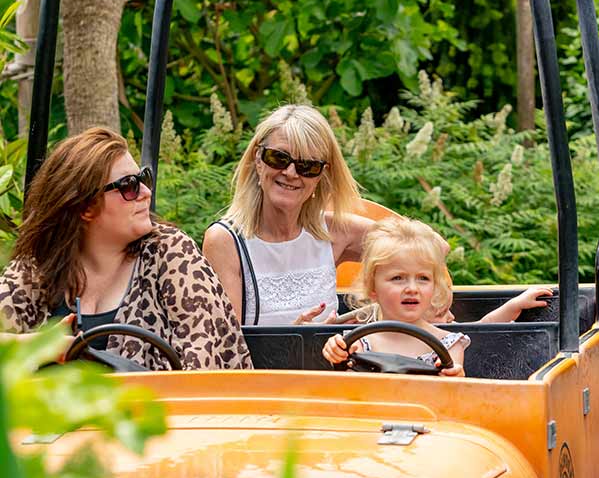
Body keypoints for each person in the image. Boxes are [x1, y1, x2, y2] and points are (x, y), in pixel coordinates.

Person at [0, 127, 251, 371]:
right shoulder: (38, 267)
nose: (146, 192)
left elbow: (205, 372)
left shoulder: (170, 253)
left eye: (143, 179)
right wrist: (43, 345)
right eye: (129, 186)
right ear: (85, 207)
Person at [203, 104, 376, 326]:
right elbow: (229, 347)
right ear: (258, 159)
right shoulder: (226, 241)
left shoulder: (334, 232)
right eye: (279, 158)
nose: (291, 173)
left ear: (321, 175)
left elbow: (425, 252)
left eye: (307, 165)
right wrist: (296, 341)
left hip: (333, 361)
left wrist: (376, 313)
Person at [323, 217, 469, 376]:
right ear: (372, 288)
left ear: (434, 287)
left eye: (423, 278)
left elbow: (452, 396)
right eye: (398, 278)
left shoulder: (449, 345)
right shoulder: (357, 344)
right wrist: (335, 354)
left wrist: (455, 378)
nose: (412, 289)